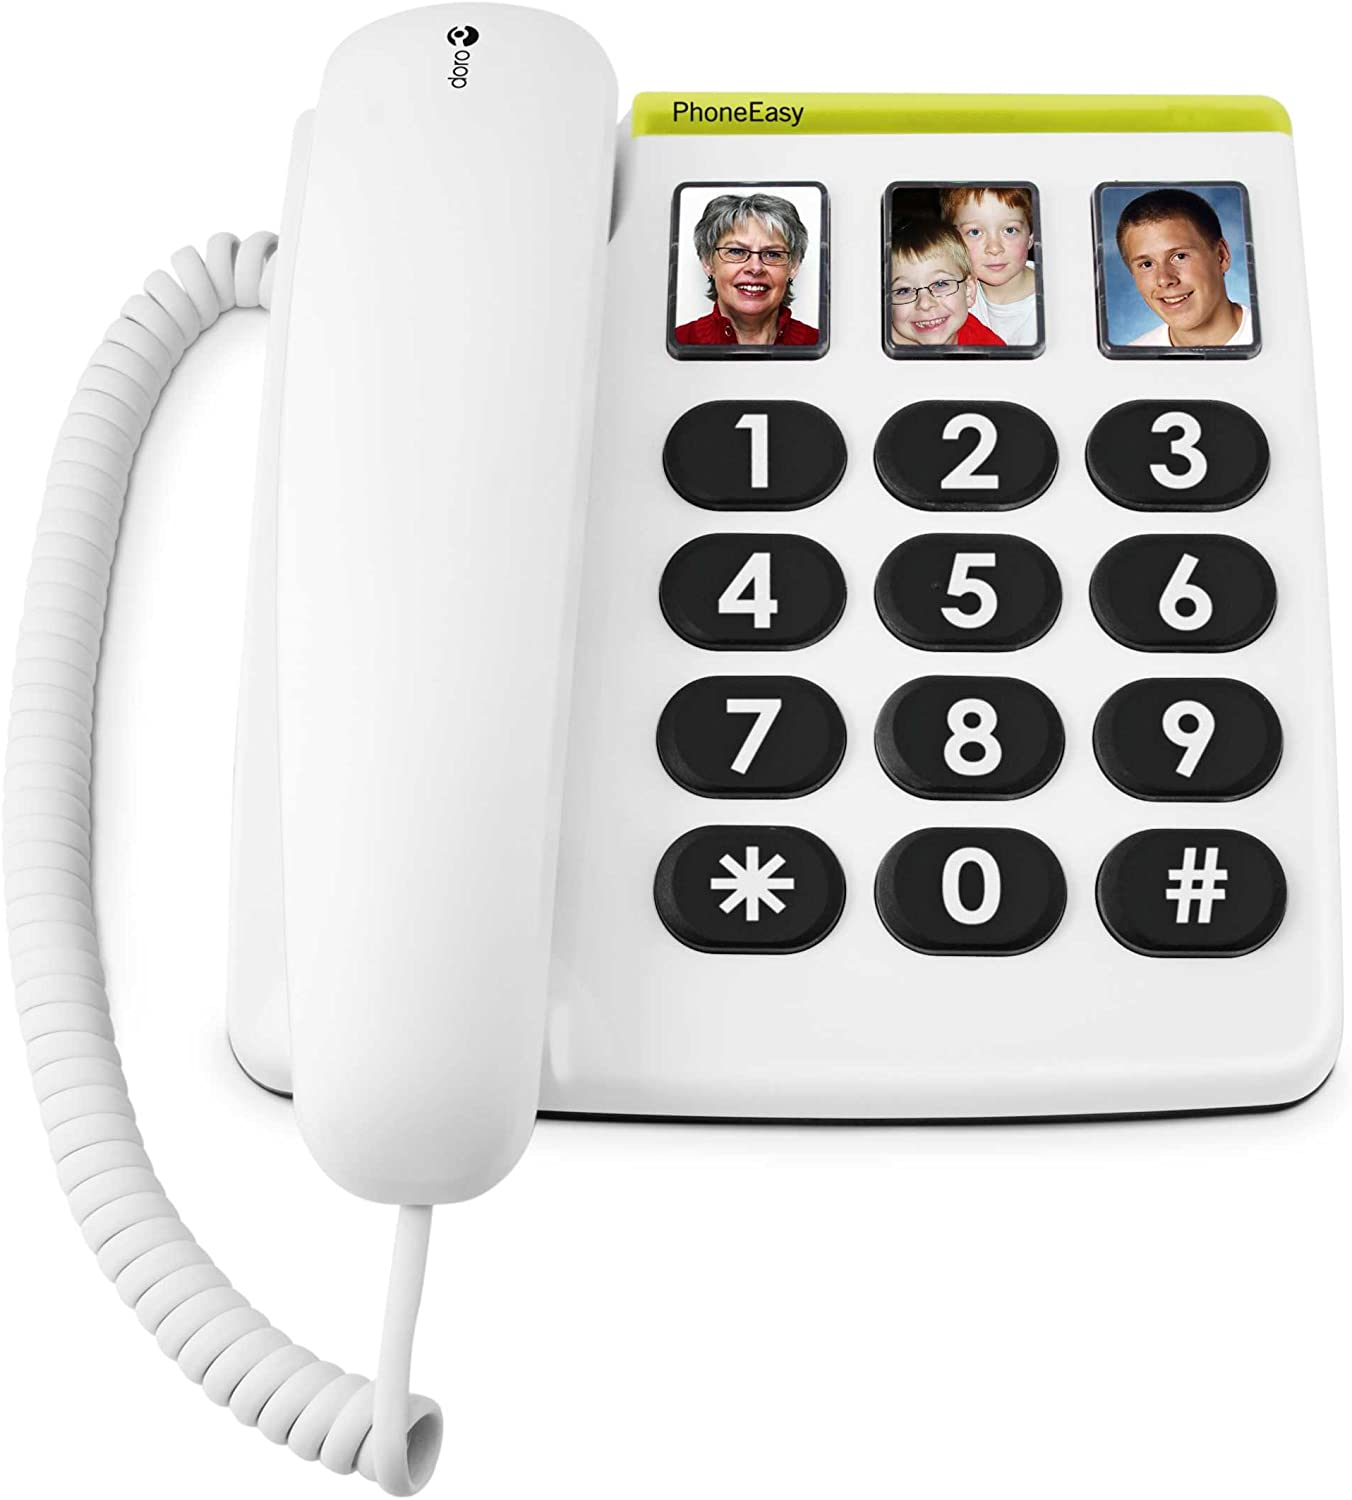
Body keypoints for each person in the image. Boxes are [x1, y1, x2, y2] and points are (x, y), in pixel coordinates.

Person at [674, 192, 818, 346]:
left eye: (772, 254)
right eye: (736, 251)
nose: (755, 268)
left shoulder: (819, 345)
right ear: (708, 262)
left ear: (793, 266)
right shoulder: (678, 342)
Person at [1116, 187, 1252, 348]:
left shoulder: (1275, 336)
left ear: (1221, 256)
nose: (1164, 279)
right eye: (1147, 264)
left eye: (1180, 256)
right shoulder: (1130, 359)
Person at [941, 186, 1038, 345]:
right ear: (952, 240)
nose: (994, 248)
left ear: (1030, 238)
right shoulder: (949, 295)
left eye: (1010, 230)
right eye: (975, 232)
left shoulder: (1057, 301)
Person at [889, 219, 1005, 348]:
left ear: (969, 291)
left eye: (940, 284)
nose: (925, 304)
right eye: (904, 291)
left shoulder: (986, 345)